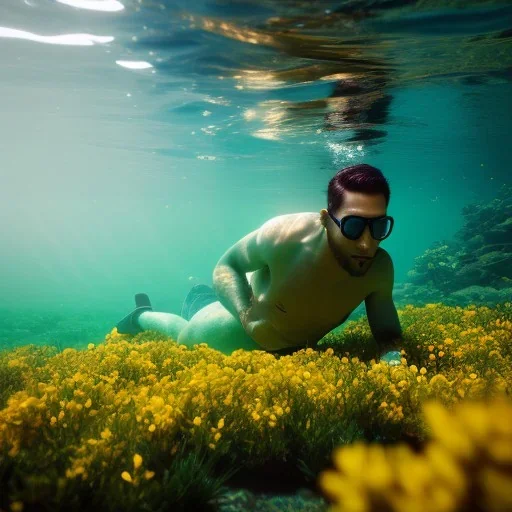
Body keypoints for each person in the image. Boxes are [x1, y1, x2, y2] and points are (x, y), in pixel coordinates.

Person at [116, 164, 403, 364]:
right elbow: (226, 266)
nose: (367, 243)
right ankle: (141, 315)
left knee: (198, 306)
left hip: (292, 356)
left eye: (378, 228)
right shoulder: (285, 235)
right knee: (180, 331)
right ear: (327, 220)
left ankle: (197, 298)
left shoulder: (378, 271)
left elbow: (388, 335)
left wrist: (393, 362)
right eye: (353, 227)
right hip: (224, 335)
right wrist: (247, 317)